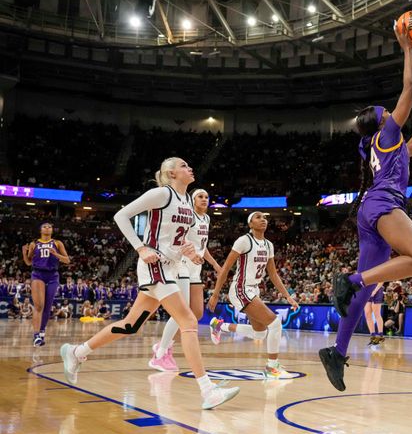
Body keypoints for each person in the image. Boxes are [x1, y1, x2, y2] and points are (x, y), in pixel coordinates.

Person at [318, 24, 412, 391]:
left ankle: (337, 352)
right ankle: (350, 279)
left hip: (368, 210)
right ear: (382, 121)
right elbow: (410, 87)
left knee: (364, 295)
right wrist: (406, 47)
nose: (393, 112)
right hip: (384, 204)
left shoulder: (386, 144)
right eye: (388, 111)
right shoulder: (387, 133)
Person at [59, 157, 239, 410]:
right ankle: (208, 390)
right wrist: (141, 247)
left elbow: (178, 237)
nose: (190, 168)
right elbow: (122, 216)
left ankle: (77, 352)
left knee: (130, 325)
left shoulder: (186, 201)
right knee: (188, 321)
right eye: (184, 165)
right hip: (155, 265)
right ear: (172, 172)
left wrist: (189, 250)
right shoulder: (161, 194)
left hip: (171, 267)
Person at [208, 212, 299, 379]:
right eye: (258, 217)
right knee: (275, 323)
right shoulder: (244, 241)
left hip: (253, 290)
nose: (263, 219)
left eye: (265, 217)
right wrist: (215, 294)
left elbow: (273, 274)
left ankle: (219, 326)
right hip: (240, 289)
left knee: (260, 333)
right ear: (250, 224)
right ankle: (272, 367)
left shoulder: (268, 245)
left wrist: (288, 296)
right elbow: (226, 268)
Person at [149, 188, 222, 372]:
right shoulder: (188, 216)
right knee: (182, 311)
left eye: (206, 197)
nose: (204, 199)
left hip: (196, 267)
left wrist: (214, 264)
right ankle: (161, 352)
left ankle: (165, 344)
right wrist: (190, 256)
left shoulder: (206, 219)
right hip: (182, 263)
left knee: (196, 313)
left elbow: (202, 246)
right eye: (200, 196)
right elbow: (179, 240)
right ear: (192, 199)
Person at [22, 222, 71, 347]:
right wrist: (24, 253)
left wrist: (56, 254)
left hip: (53, 275)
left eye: (49, 226)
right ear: (40, 230)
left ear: (52, 230)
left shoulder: (57, 243)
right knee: (39, 306)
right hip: (38, 274)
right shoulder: (34, 244)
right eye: (45, 226)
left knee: (48, 307)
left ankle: (42, 331)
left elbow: (67, 260)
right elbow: (28, 263)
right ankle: (36, 335)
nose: (47, 228)